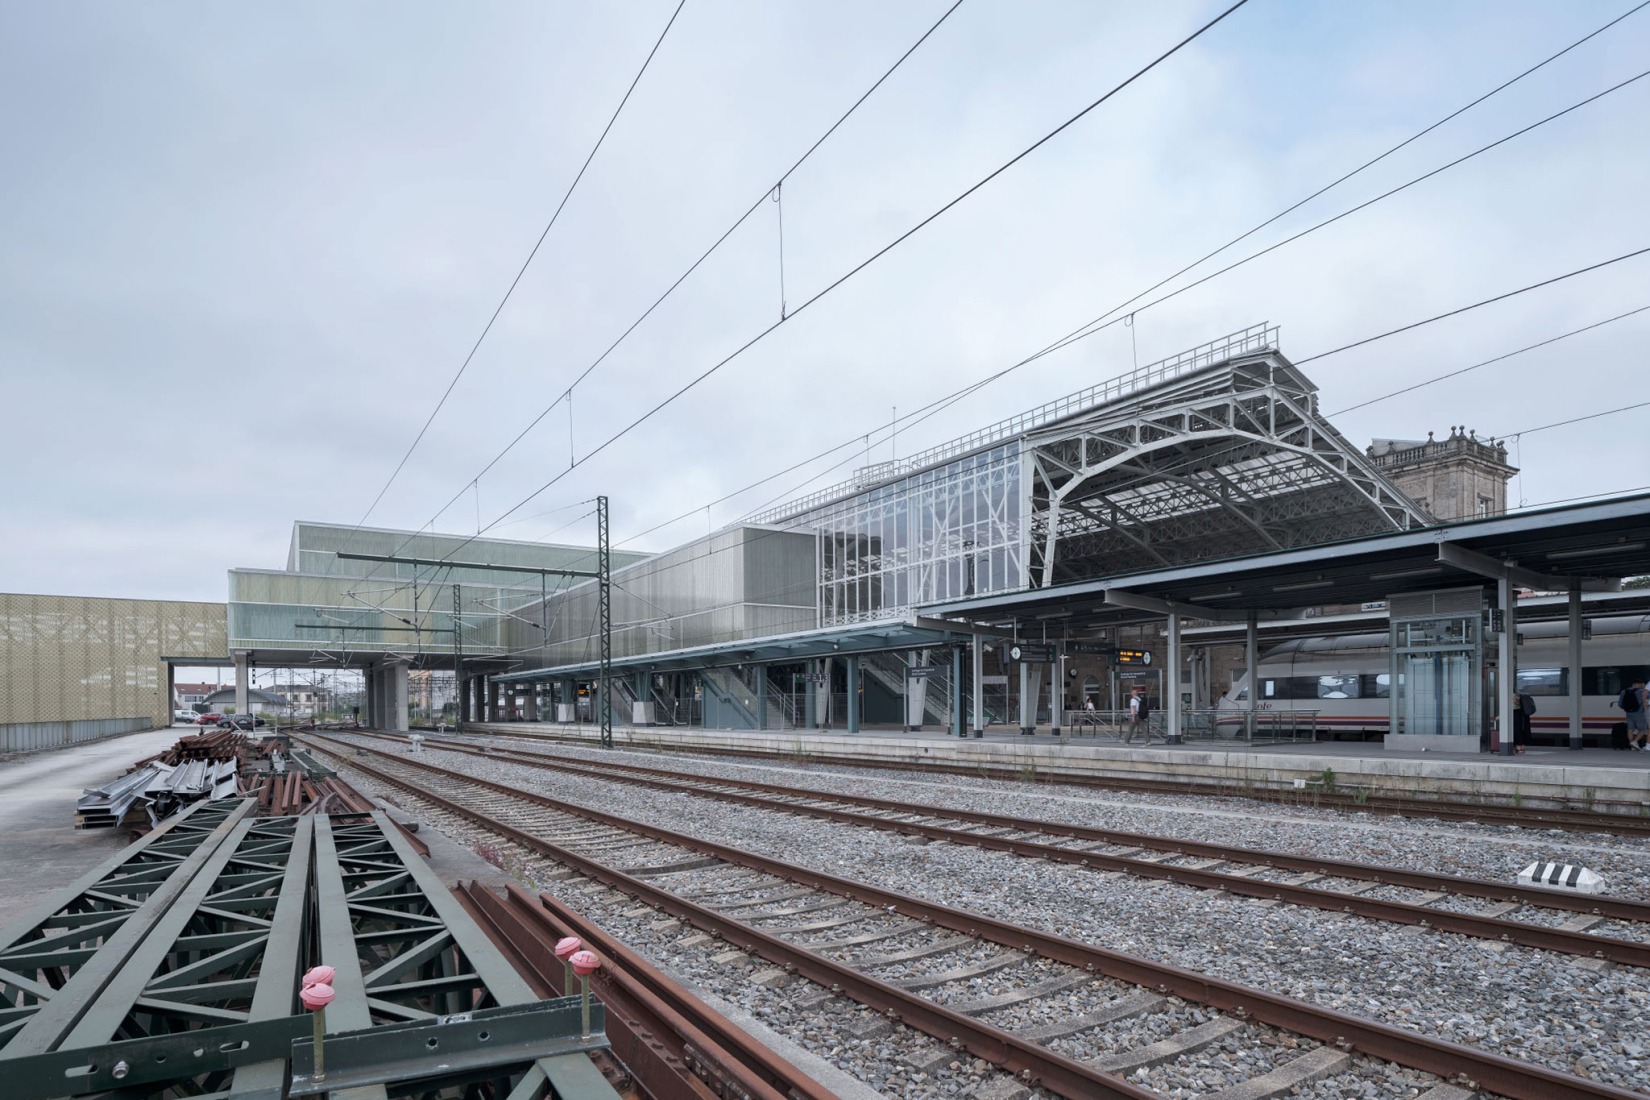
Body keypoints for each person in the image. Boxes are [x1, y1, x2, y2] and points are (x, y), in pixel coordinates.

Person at [1621, 678, 1649, 751]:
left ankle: (1632, 746)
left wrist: (1627, 709)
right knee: (1643, 730)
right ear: (1641, 684)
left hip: (1628, 713)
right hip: (1640, 714)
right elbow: (1647, 700)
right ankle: (1635, 742)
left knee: (1630, 729)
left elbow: (1620, 704)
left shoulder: (1624, 691)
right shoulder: (1642, 691)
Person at [1512, 687, 1535, 754]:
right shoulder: (1522, 696)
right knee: (1525, 729)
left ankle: (1518, 747)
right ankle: (1523, 747)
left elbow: (1513, 708)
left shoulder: (1514, 696)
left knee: (1517, 730)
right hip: (1525, 716)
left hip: (1517, 716)